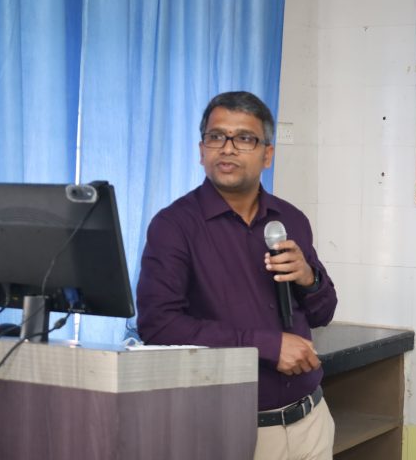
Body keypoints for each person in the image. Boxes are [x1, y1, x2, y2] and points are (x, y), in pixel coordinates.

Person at [136, 91, 338, 460]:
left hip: (310, 421)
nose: (227, 148)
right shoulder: (174, 226)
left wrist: (309, 278)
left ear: (267, 154)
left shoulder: (290, 219)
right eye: (217, 137)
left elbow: (323, 313)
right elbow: (158, 326)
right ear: (202, 150)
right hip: (227, 428)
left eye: (244, 138)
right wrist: (267, 345)